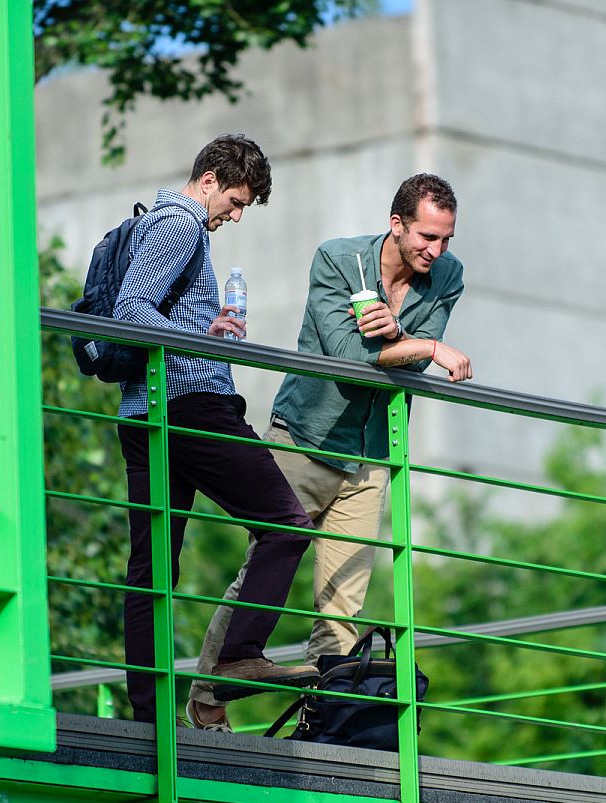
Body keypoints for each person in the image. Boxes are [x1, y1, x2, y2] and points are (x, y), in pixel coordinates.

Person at [190, 173, 472, 730]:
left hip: (370, 455)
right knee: (261, 567)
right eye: (426, 237)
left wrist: (401, 343)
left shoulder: (448, 277)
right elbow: (347, 354)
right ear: (396, 225)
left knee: (343, 604)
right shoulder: (339, 260)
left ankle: (323, 727)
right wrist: (425, 344)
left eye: (445, 240)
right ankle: (206, 700)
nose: (436, 252)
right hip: (306, 437)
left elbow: (406, 366)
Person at [113, 134, 319, 725]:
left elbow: (150, 309)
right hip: (191, 408)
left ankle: (150, 722)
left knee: (153, 571)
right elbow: (133, 311)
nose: (234, 214)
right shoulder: (181, 224)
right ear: (207, 181)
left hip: (149, 413)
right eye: (232, 200)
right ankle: (237, 656)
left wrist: (206, 332)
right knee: (285, 525)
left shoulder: (162, 223)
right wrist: (195, 348)